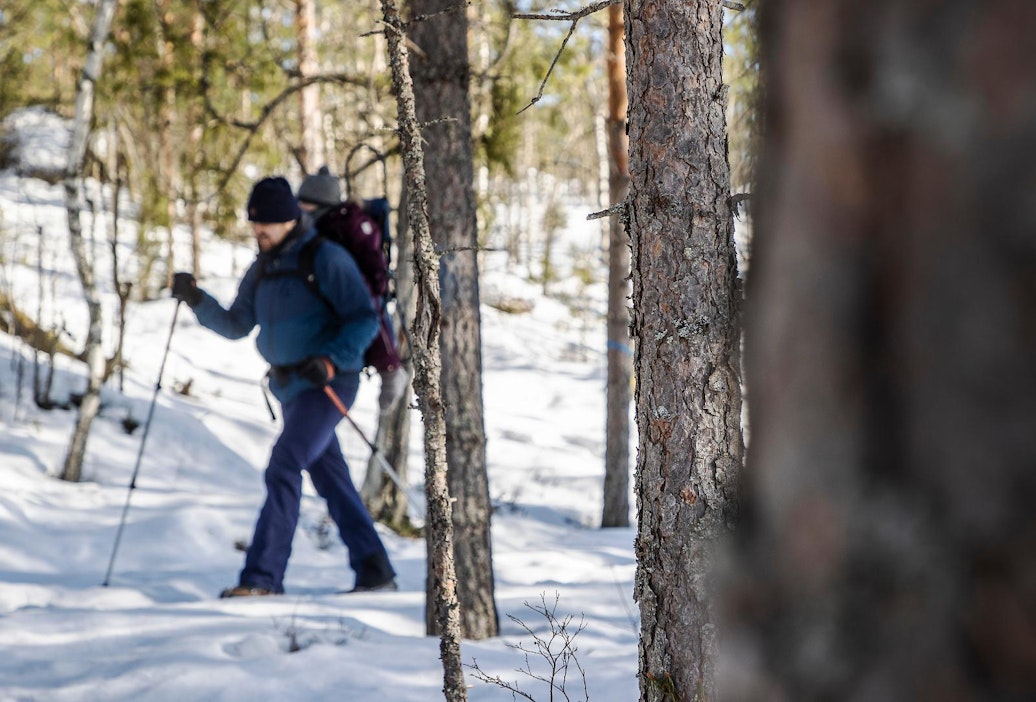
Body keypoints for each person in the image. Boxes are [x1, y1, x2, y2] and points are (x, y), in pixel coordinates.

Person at [171, 175, 397, 597]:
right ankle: (375, 570)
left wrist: (331, 361)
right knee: (331, 479)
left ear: (290, 220)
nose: (259, 231)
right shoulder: (263, 267)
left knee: (283, 465)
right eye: (255, 224)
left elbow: (364, 318)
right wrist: (196, 299)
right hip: (289, 389)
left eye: (267, 224)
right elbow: (238, 324)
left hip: (328, 385)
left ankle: (261, 578)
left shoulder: (325, 258)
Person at [296, 166, 408, 413]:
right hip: (330, 288)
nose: (301, 210)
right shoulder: (316, 226)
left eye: (307, 205)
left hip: (361, 284)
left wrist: (370, 284)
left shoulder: (353, 223)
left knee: (368, 310)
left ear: (322, 204)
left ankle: (390, 370)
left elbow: (373, 263)